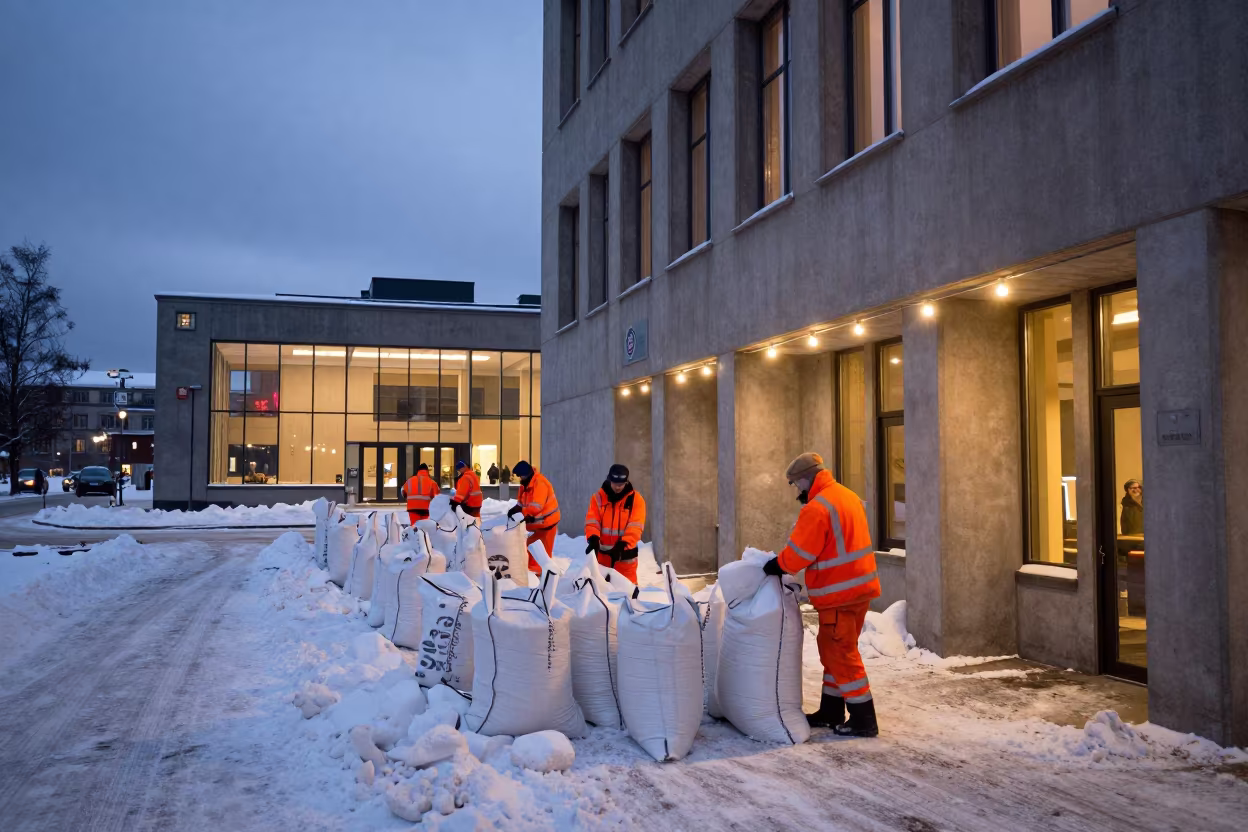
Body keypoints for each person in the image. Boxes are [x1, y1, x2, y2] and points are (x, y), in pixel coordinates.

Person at [763, 452, 880, 737]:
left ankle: (864, 717)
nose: (797, 492)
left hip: (838, 593)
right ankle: (831, 710)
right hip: (858, 589)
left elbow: (799, 554)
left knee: (840, 653)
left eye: (795, 484)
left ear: (806, 478)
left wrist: (776, 565)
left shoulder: (818, 508)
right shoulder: (846, 496)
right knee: (835, 650)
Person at [584, 464, 647, 583]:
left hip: (625, 558)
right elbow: (592, 522)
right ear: (609, 480)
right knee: (601, 596)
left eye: (621, 484)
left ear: (626, 482)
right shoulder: (597, 498)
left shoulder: (636, 500)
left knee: (628, 594)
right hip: (603, 559)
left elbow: (636, 526)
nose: (618, 487)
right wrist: (593, 539)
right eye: (615, 484)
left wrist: (623, 545)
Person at [507, 460, 560, 573]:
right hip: (538, 524)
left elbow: (536, 507)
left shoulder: (540, 484)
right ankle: (533, 572)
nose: (520, 479)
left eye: (520, 476)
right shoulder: (525, 485)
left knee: (541, 553)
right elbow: (521, 502)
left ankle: (539, 575)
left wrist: (523, 513)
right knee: (529, 546)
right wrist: (516, 508)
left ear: (526, 474)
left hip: (547, 524)